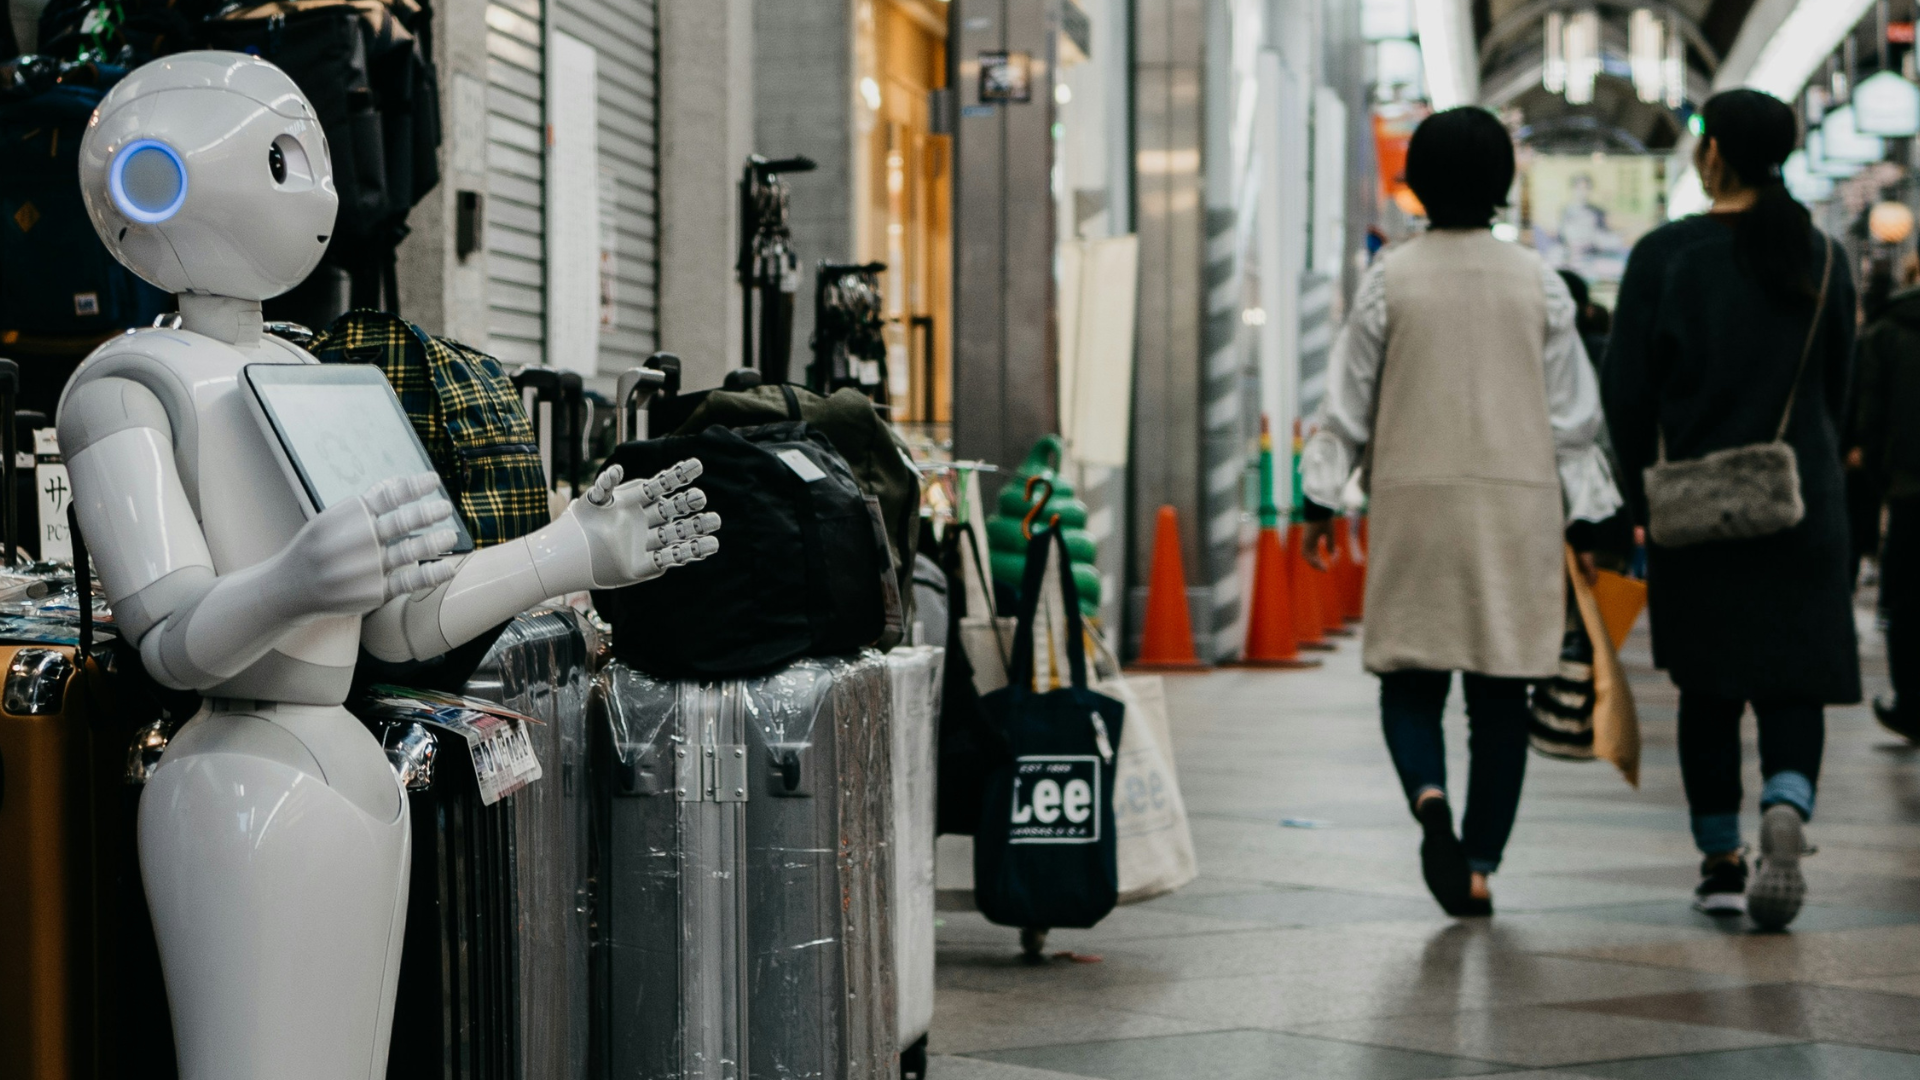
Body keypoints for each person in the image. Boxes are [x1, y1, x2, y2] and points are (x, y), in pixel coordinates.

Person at [1301, 107, 1620, 917]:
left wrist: (1319, 498)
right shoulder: (1539, 283)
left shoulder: (1389, 281)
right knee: (1499, 698)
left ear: (1419, 178)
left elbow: (1345, 408)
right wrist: (1591, 520)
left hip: (1413, 507)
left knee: (1410, 681)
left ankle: (1429, 803)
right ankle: (1477, 866)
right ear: (1504, 184)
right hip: (1517, 512)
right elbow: (1574, 422)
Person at [1603, 89, 1859, 930]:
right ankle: (1787, 798)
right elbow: (1838, 395)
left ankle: (1719, 860)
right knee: (1796, 682)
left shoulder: (1666, 257)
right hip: (1801, 502)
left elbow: (1628, 398)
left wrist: (1625, 499)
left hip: (1697, 508)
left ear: (1711, 154)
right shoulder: (1822, 257)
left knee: (1708, 688)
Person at [1849, 252, 1920, 743]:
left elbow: (1868, 418)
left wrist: (1881, 480)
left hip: (1910, 490)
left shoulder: (1884, 333)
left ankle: (1912, 703)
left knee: (1907, 598)